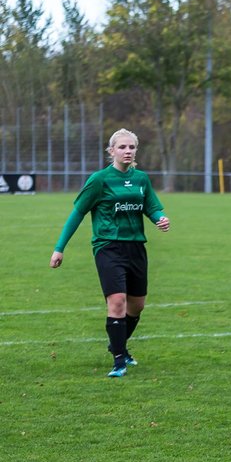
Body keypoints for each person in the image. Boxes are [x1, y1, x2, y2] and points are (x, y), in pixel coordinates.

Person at [49, 128, 170, 377]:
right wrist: (59, 248)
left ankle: (117, 345)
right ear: (111, 151)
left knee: (136, 306)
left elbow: (152, 207)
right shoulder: (99, 179)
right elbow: (77, 214)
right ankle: (118, 361)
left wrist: (160, 219)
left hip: (136, 247)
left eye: (131, 147)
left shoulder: (141, 179)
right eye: (122, 147)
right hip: (108, 247)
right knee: (117, 303)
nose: (127, 151)